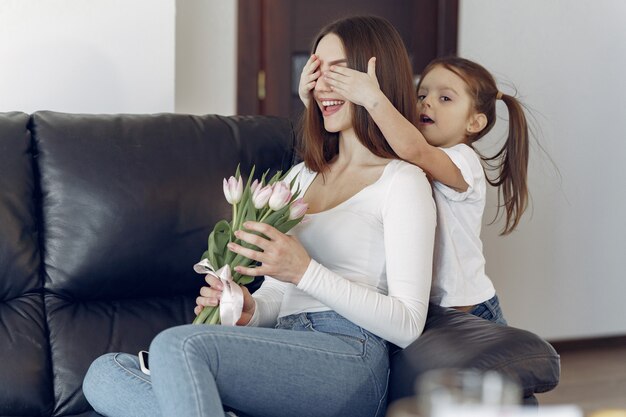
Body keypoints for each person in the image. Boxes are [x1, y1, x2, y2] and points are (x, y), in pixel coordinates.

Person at [82, 15, 436, 417]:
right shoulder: (302, 178)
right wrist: (250, 310)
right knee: (106, 372)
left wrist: (306, 272)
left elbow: (408, 324)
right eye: (315, 71)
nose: (320, 86)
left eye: (336, 72)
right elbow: (279, 296)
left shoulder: (402, 182)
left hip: (349, 356)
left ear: (375, 78)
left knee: (177, 345)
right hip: (284, 347)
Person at [299, 53, 531, 325]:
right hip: (426, 308)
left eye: (445, 98)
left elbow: (413, 149)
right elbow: (354, 141)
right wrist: (312, 102)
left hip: (468, 312)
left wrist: (371, 98)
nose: (427, 102)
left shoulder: (463, 160)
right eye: (421, 95)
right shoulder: (403, 158)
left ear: (474, 123)